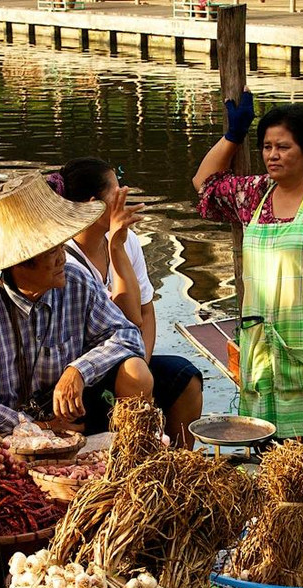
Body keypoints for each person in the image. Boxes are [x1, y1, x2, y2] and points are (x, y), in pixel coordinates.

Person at [192, 93, 303, 441]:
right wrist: (233, 137)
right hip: (260, 348)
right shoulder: (256, 194)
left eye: (284, 147)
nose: (272, 155)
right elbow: (205, 182)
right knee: (261, 442)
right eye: (267, 146)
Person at [0, 171, 153, 435]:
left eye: (60, 248)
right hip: (9, 426)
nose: (62, 259)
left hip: (68, 411)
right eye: (51, 252)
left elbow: (127, 334)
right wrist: (38, 428)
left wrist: (77, 371)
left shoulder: (75, 281)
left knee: (136, 369)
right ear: (22, 262)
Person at [47, 158, 203, 447]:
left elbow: (145, 310)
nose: (124, 196)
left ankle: (180, 462)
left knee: (185, 378)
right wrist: (115, 248)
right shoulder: (63, 260)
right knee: (133, 372)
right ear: (95, 205)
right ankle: (134, 458)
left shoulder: (126, 239)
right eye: (116, 192)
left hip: (126, 358)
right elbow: (128, 317)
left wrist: (141, 361)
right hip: (87, 368)